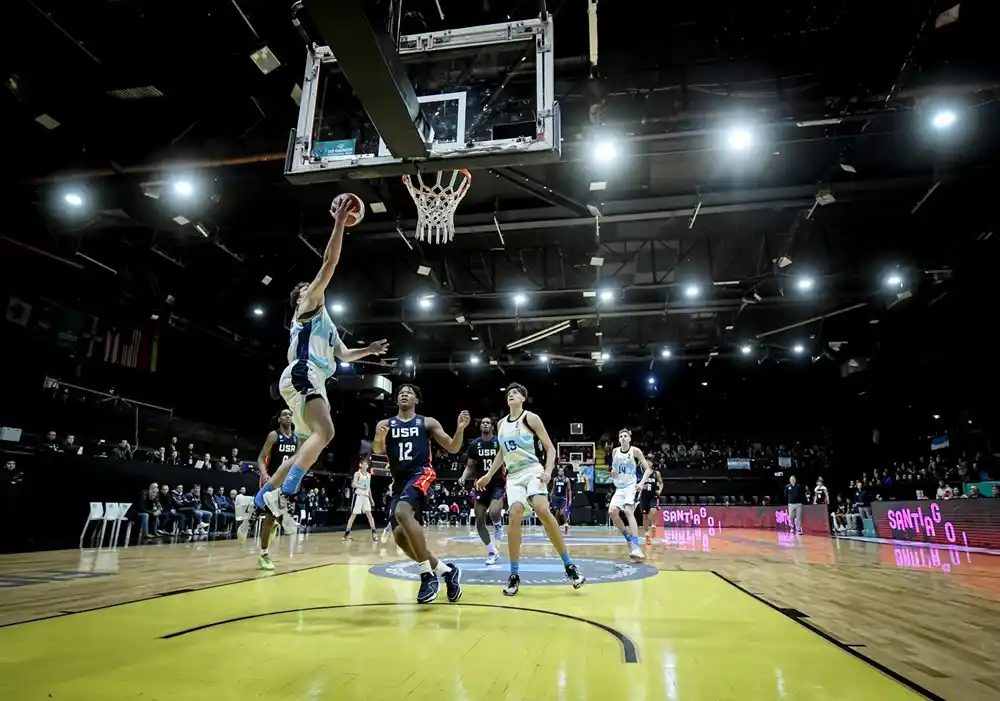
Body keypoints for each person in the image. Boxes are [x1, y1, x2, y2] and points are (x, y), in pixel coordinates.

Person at [254, 195, 389, 532]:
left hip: (307, 379)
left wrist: (368, 350)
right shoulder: (308, 305)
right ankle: (284, 494)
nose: (313, 289)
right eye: (306, 288)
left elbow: (343, 355)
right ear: (301, 298)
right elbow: (329, 263)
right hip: (304, 373)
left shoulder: (327, 324)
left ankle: (260, 498)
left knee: (308, 445)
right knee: (325, 431)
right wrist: (339, 223)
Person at [475, 383, 585, 596]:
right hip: (514, 475)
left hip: (533, 469)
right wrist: (488, 475)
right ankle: (514, 574)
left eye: (515, 392)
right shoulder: (501, 425)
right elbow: (502, 453)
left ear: (523, 398)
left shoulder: (531, 418)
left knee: (542, 509)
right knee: (514, 513)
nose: (511, 395)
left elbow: (550, 448)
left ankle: (570, 566)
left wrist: (548, 471)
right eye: (508, 393)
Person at [371, 384, 469, 604]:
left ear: (416, 399)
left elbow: (453, 448)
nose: (404, 394)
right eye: (401, 392)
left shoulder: (427, 422)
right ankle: (446, 571)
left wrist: (460, 429)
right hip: (398, 481)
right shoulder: (385, 424)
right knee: (399, 537)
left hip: (421, 473)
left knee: (403, 512)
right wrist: (379, 437)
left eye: (409, 392)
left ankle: (427, 575)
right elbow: (377, 450)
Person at [460, 417, 503, 564]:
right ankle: (492, 551)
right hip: (480, 486)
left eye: (488, 422)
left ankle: (498, 524)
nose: (485, 424)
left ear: (492, 426)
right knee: (479, 520)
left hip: (497, 483)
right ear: (480, 427)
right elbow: (470, 466)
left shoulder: (499, 442)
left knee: (494, 512)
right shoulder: (474, 444)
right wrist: (463, 477)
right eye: (483, 423)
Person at [608, 429, 652, 561]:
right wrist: (612, 472)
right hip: (619, 488)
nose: (623, 438)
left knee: (628, 511)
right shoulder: (615, 451)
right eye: (620, 436)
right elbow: (613, 468)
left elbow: (648, 469)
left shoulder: (635, 451)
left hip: (630, 487)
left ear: (630, 439)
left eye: (625, 436)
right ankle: (628, 539)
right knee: (612, 512)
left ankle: (637, 547)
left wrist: (641, 483)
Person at [344, 459, 377, 540]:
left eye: (366, 464)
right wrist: (362, 486)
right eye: (363, 464)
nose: (365, 466)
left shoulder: (369, 475)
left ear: (367, 466)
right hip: (358, 496)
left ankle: (374, 533)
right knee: (353, 515)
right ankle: (347, 534)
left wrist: (371, 499)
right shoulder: (357, 474)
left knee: (369, 514)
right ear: (361, 465)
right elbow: (353, 484)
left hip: (366, 497)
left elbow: (369, 488)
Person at [639, 464, 663, 545]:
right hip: (644, 497)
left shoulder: (656, 473)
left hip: (653, 496)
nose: (647, 463)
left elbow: (661, 483)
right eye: (646, 461)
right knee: (645, 516)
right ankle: (647, 536)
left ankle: (653, 526)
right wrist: (641, 486)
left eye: (649, 461)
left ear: (652, 463)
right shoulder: (640, 472)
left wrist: (660, 490)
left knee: (654, 511)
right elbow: (635, 485)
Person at [548, 466, 572, 535]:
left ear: (563, 472)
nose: (560, 472)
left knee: (561, 513)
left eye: (562, 471)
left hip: (563, 498)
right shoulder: (555, 479)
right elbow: (553, 488)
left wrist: (570, 499)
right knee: (556, 513)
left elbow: (569, 490)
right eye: (559, 471)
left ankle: (566, 524)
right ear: (558, 472)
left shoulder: (566, 480)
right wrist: (550, 495)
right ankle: (556, 528)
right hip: (556, 497)